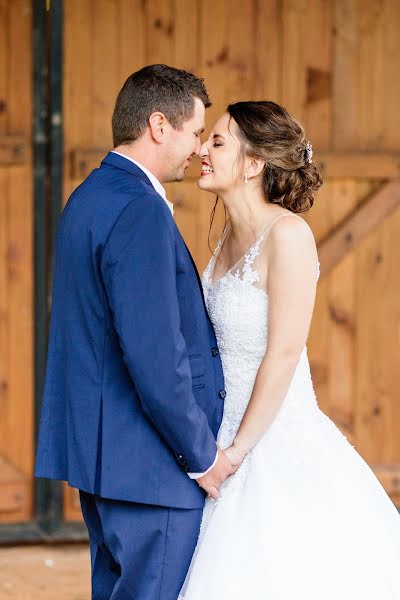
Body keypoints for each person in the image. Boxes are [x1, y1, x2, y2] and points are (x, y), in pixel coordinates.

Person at [179, 101, 400, 599]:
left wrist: (236, 451)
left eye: (217, 142)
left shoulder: (289, 236)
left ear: (255, 163)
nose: (201, 152)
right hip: (218, 433)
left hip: (269, 437)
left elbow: (282, 352)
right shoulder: (227, 238)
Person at [35, 64, 237, 600]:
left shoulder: (88, 197)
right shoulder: (140, 209)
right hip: (151, 469)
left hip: (105, 461)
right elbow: (155, 357)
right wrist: (203, 456)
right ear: (158, 125)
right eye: (196, 132)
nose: (198, 148)